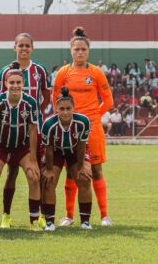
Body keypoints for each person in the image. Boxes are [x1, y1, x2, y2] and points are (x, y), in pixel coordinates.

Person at [53, 27, 114, 226]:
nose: (80, 52)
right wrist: (66, 119)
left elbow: (108, 100)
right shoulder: (63, 73)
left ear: (88, 51)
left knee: (96, 171)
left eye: (83, 49)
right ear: (71, 51)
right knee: (71, 171)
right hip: (68, 131)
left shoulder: (96, 72)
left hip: (93, 130)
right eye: (76, 49)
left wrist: (95, 116)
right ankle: (69, 216)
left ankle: (104, 215)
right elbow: (56, 99)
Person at [0, 33, 50, 229]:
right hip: (11, 131)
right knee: (11, 173)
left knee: (38, 173)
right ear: (15, 48)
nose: (24, 48)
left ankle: (40, 215)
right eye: (21, 45)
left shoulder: (40, 70)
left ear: (32, 48)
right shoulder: (6, 71)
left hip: (33, 131)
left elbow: (46, 95)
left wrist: (37, 114)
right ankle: (6, 216)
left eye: (27, 45)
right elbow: (0, 100)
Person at [0, 62, 42, 232]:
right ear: (6, 84)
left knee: (33, 176)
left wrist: (33, 158)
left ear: (23, 84)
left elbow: (33, 131)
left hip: (22, 147)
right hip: (1, 147)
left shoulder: (30, 102)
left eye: (18, 83)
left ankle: (34, 221)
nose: (15, 86)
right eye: (12, 83)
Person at [41, 87, 93, 231]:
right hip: (56, 152)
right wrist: (50, 169)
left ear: (73, 108)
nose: (65, 112)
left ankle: (85, 221)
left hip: (76, 151)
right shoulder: (48, 124)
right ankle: (50, 222)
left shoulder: (83, 121)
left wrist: (82, 166)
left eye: (68, 108)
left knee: (84, 178)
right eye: (62, 108)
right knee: (49, 180)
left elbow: (82, 146)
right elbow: (49, 149)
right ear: (56, 108)